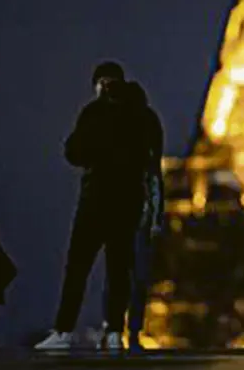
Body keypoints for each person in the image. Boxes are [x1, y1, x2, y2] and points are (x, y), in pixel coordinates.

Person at [35, 61, 150, 351]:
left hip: (96, 200)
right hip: (127, 202)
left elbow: (73, 152)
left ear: (100, 84)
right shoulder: (141, 114)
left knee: (78, 268)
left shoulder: (94, 112)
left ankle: (63, 331)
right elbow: (150, 159)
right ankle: (113, 331)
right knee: (118, 271)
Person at [100, 81, 165, 352]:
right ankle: (132, 331)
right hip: (140, 218)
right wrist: (156, 218)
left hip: (123, 216)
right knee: (137, 279)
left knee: (118, 276)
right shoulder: (149, 127)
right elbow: (155, 179)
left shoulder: (118, 131)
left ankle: (113, 330)